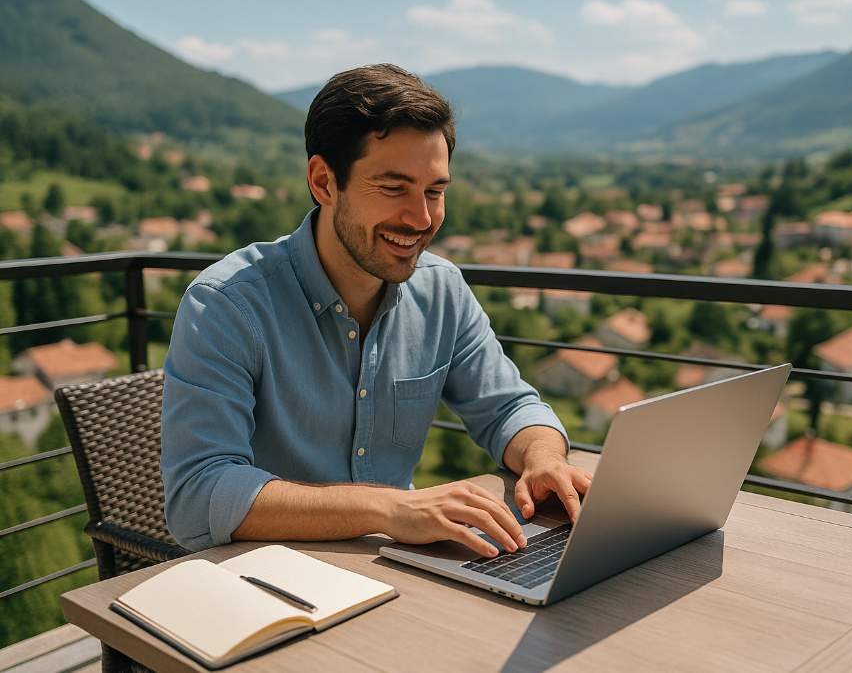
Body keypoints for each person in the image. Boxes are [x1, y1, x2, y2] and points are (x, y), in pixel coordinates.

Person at [161, 64, 592, 556]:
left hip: (398, 564)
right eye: (393, 188)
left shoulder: (442, 290)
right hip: (266, 574)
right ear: (324, 182)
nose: (421, 218)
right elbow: (196, 498)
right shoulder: (226, 304)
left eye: (435, 191)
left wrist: (542, 456)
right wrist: (387, 508)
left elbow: (510, 408)